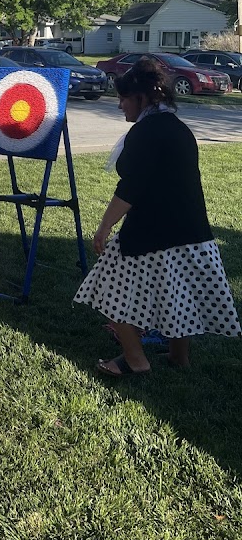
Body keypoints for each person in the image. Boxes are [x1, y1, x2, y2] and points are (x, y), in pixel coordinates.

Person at [74, 57, 241, 376]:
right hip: (191, 230)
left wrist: (104, 227)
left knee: (109, 293)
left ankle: (136, 360)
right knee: (179, 294)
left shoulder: (147, 132)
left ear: (143, 97)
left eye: (124, 98)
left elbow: (131, 187)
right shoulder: (177, 127)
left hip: (150, 233)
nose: (120, 104)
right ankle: (179, 357)